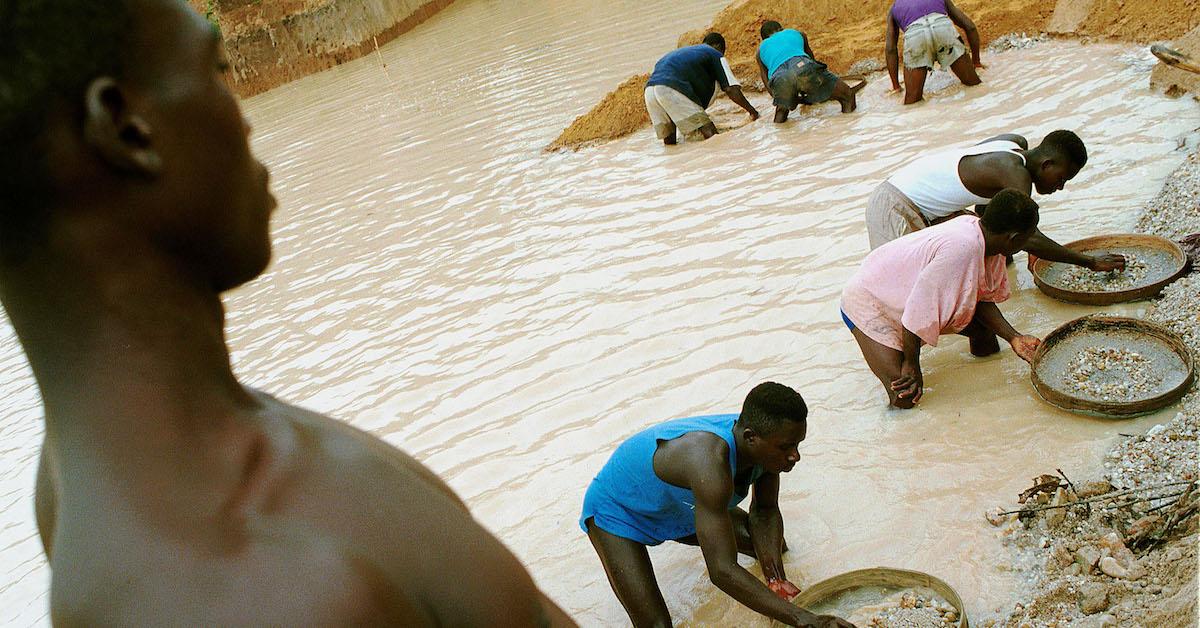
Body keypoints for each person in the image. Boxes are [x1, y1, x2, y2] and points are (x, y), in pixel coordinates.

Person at [0, 1, 574, 624]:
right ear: (126, 128)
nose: (247, 123)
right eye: (216, 70)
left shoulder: (85, 489)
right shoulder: (280, 588)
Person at [580, 383, 855, 628]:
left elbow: (765, 512)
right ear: (750, 438)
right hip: (618, 513)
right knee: (656, 624)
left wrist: (775, 580)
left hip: (681, 505)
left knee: (774, 551)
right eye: (786, 447)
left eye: (798, 444)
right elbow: (722, 571)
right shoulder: (709, 461)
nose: (795, 455)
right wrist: (802, 618)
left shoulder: (767, 451)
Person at [842, 190, 1044, 409]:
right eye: (1029, 236)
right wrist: (912, 364)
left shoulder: (983, 236)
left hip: (902, 292)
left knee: (984, 334)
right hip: (870, 301)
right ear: (1013, 239)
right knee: (906, 398)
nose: (1031, 241)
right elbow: (917, 310)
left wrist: (1014, 338)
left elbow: (981, 298)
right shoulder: (961, 249)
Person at [865, 130, 1126, 275]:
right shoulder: (1016, 173)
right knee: (898, 285)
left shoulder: (1014, 143)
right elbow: (1028, 236)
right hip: (896, 205)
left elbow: (987, 209)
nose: (1060, 187)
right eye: (1061, 179)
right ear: (1046, 164)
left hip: (926, 201)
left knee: (986, 257)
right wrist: (1089, 262)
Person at [644, 32, 759, 144]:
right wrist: (753, 112)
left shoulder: (689, 53)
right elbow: (731, 89)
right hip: (671, 87)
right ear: (719, 47)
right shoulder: (715, 54)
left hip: (649, 92)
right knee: (712, 135)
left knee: (670, 142)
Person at [756, 20, 866, 121]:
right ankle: (848, 125)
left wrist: (781, 99)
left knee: (782, 111)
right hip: (802, 65)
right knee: (847, 95)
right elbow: (811, 61)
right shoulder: (797, 33)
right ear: (781, 29)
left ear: (765, 39)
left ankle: (779, 136)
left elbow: (766, 80)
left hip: (780, 77)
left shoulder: (760, 50)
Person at [884, 0, 983, 104]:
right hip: (942, 28)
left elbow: (890, 49)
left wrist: (896, 86)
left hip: (916, 37)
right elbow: (970, 27)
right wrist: (976, 63)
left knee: (913, 103)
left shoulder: (894, 8)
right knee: (974, 86)